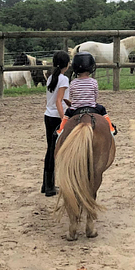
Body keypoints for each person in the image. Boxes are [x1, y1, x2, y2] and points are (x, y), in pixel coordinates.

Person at [57, 51, 116, 134]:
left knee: (67, 114)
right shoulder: (93, 82)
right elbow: (95, 96)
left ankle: (60, 130)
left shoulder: (73, 82)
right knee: (102, 110)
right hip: (92, 107)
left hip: (76, 109)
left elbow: (72, 96)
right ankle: (111, 128)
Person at [42, 50, 70, 197]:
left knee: (50, 149)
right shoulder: (63, 79)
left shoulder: (51, 77)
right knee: (54, 150)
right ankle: (50, 187)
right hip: (56, 117)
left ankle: (46, 184)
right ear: (67, 64)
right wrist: (64, 118)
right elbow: (59, 100)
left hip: (48, 115)